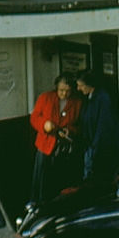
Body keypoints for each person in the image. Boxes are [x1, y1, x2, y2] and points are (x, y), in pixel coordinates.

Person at [29, 74, 82, 202]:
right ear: (56, 88)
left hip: (64, 148)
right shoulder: (45, 98)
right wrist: (44, 124)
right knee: (41, 178)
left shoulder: (77, 102)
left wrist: (69, 131)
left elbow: (79, 124)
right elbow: (34, 117)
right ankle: (38, 203)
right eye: (61, 90)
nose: (64, 94)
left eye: (67, 91)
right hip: (45, 144)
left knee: (59, 178)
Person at [75, 73, 119, 186]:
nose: (78, 89)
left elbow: (104, 127)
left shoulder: (102, 98)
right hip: (91, 144)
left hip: (100, 147)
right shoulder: (89, 98)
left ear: (90, 85)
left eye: (81, 85)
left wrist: (94, 148)